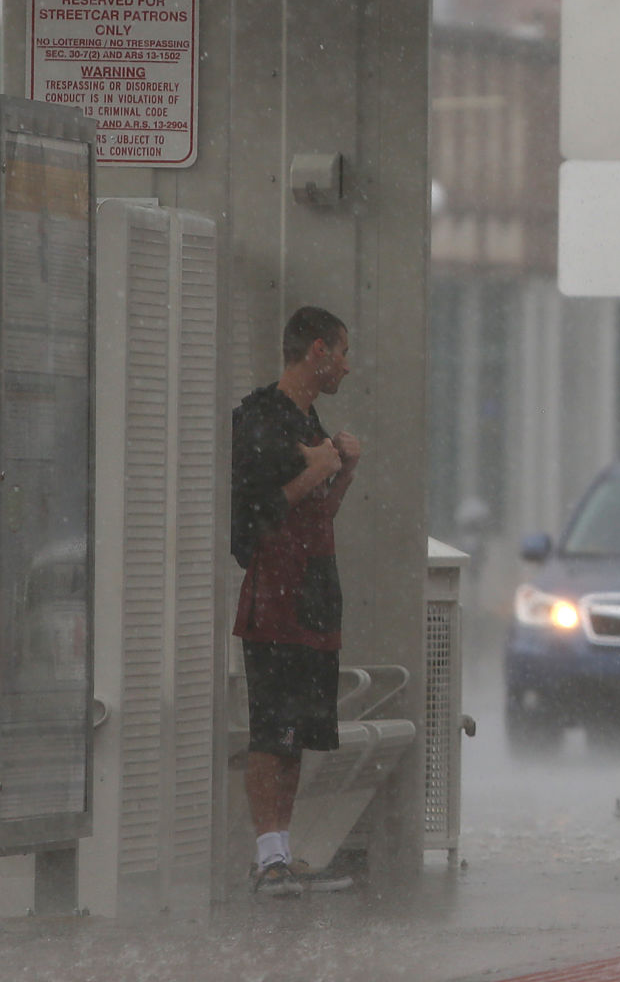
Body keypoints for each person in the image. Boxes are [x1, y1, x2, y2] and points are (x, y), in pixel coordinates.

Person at [231, 306, 362, 897]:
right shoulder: (263, 416)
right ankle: (265, 858)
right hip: (276, 594)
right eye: (342, 353)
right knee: (271, 728)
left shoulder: (312, 420)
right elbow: (265, 510)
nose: (346, 366)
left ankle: (282, 852)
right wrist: (318, 465)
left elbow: (318, 512)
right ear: (316, 351)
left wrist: (343, 473)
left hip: (312, 590)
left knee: (300, 731)